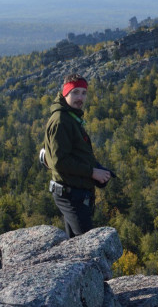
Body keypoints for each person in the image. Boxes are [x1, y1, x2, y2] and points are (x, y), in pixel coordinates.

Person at [44, 73, 113, 237]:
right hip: (70, 196)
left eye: (83, 93)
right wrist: (92, 172)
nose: (80, 97)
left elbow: (76, 153)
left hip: (75, 193)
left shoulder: (70, 117)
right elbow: (60, 162)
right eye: (75, 92)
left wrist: (98, 169)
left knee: (75, 246)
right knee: (86, 246)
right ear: (65, 93)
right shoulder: (61, 120)